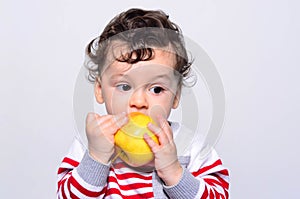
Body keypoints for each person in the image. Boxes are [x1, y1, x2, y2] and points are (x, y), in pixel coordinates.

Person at [57, 8, 229, 198]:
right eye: (124, 86)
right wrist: (96, 159)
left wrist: (174, 172)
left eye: (156, 89)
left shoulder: (191, 147)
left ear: (176, 95)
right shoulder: (90, 144)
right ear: (99, 90)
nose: (138, 102)